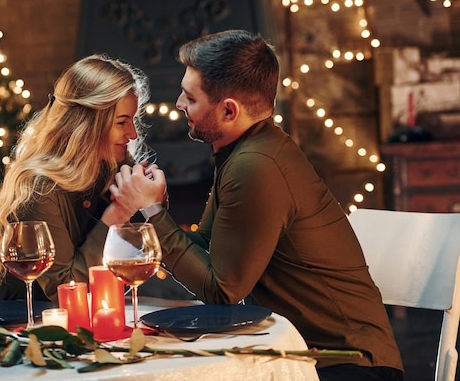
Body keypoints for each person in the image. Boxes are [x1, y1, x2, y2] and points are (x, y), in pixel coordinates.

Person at [109, 30, 404, 380]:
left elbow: (222, 291)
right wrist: (156, 208)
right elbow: (206, 249)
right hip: (304, 357)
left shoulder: (257, 164)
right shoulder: (244, 151)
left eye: (190, 97)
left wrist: (153, 213)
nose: (178, 104)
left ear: (229, 110)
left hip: (349, 365)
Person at [0, 54, 164, 303]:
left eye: (133, 120)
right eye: (122, 122)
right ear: (87, 126)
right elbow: (67, 289)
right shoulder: (39, 188)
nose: (133, 134)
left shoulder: (112, 171)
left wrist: (153, 203)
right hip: (20, 328)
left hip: (79, 325)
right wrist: (120, 211)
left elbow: (141, 259)